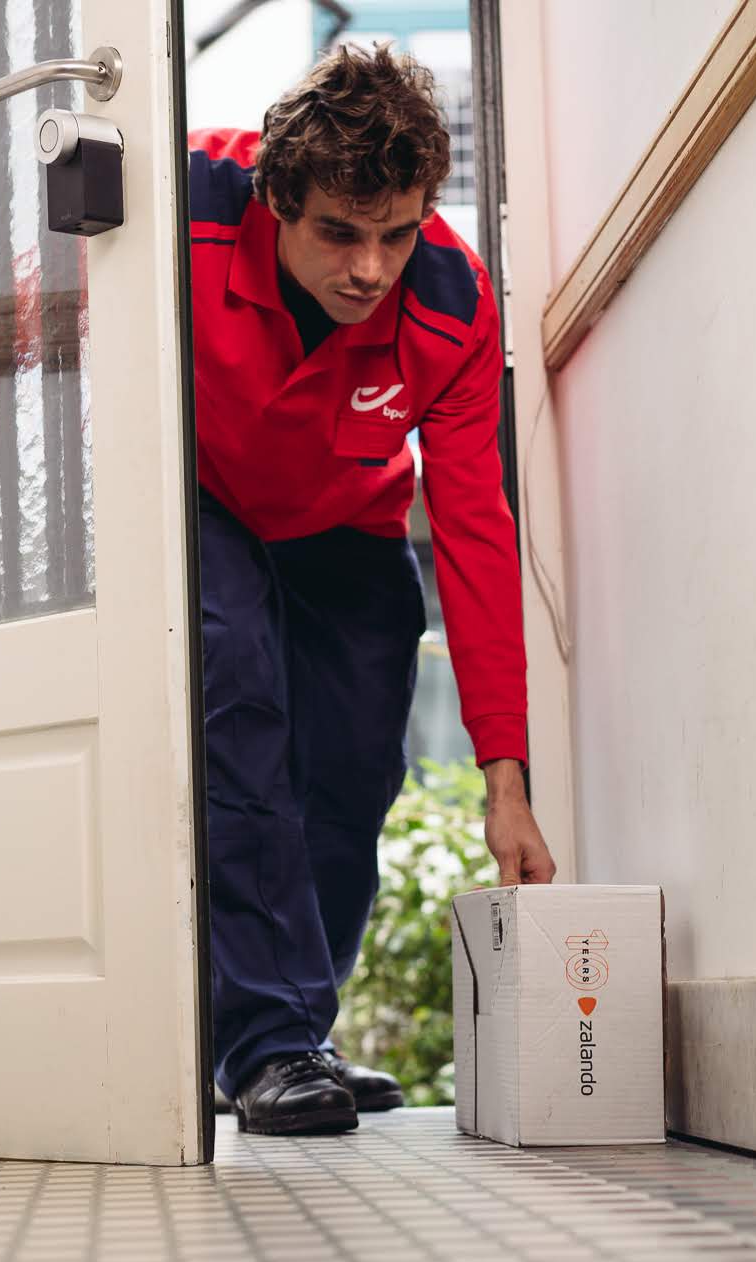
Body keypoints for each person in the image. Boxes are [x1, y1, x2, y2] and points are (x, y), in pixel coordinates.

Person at [188, 45, 555, 1136]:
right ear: (278, 198)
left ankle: (299, 1026)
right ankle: (266, 1042)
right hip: (203, 497)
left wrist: (504, 779)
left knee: (354, 767)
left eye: (395, 233)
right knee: (239, 704)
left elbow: (475, 534)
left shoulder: (451, 299)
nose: (370, 269)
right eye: (340, 233)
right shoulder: (190, 204)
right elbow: (46, 292)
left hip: (344, 521)